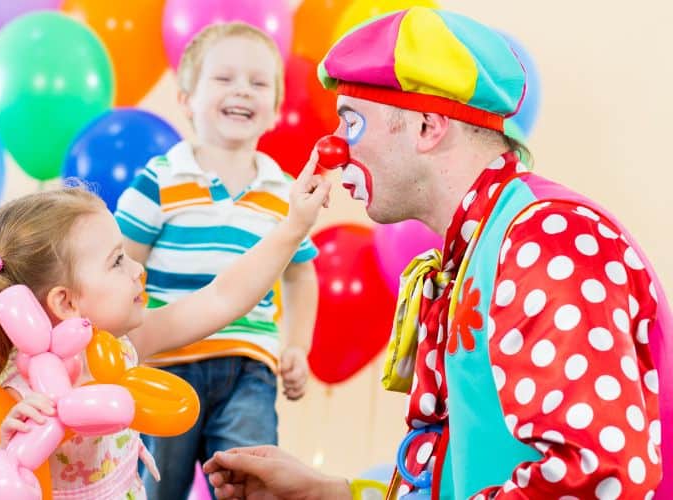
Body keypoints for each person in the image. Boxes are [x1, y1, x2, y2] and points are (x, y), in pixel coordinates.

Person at [203, 7, 671, 500]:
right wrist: (328, 493)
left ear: (427, 127)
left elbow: (594, 477)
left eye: (351, 123)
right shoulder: (473, 251)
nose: (332, 150)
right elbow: (461, 475)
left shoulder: (546, 237)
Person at [0, 163, 328, 499]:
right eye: (117, 261)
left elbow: (222, 298)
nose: (137, 270)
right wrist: (7, 441)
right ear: (66, 303)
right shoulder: (18, 393)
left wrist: (294, 226)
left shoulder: (120, 350)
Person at [114, 22, 319, 499]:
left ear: (275, 110)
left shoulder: (283, 193)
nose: (242, 90)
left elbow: (300, 272)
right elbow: (122, 265)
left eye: (258, 82)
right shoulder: (161, 179)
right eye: (224, 78)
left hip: (249, 365)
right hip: (166, 363)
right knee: (154, 483)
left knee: (251, 478)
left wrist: (298, 347)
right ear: (185, 99)